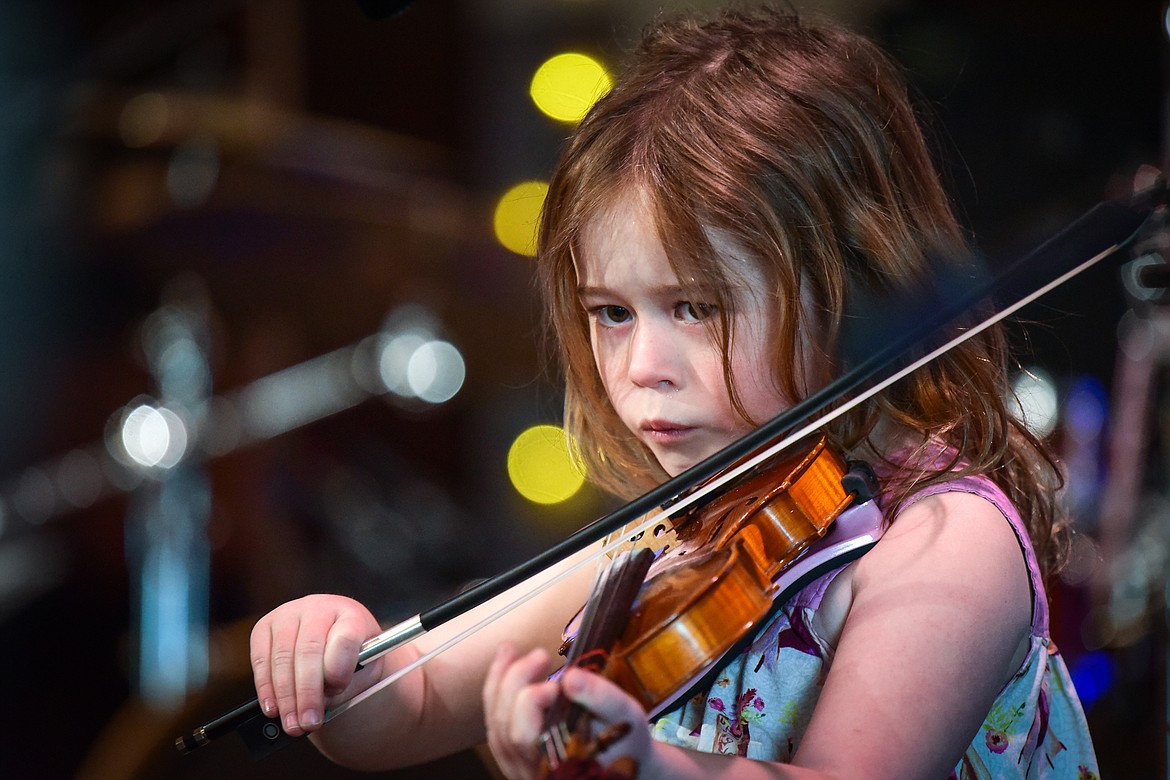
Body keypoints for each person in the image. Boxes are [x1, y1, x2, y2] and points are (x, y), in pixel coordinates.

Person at [249, 8, 1100, 778]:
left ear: (854, 289)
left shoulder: (949, 540)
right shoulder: (679, 532)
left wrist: (648, 768)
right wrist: (336, 651)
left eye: (695, 307)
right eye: (612, 313)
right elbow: (420, 705)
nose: (641, 364)